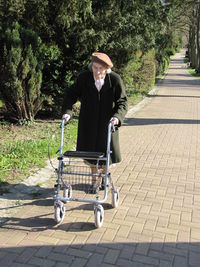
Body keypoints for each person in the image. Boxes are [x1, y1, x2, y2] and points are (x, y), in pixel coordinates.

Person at [62, 52, 128, 191]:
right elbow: (70, 95)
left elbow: (122, 102)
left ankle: (103, 178)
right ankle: (94, 181)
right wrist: (68, 112)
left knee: (105, 154)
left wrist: (117, 116)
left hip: (108, 124)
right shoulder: (83, 78)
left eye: (101, 69)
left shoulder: (114, 79)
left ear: (106, 69)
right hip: (88, 123)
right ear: (91, 66)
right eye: (95, 67)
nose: (97, 71)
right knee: (91, 154)